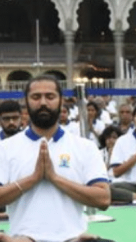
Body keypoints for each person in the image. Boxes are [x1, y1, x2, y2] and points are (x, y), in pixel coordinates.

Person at [0, 74, 112, 242]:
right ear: (26, 102)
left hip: (73, 239)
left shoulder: (84, 147)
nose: (43, 102)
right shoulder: (6, 148)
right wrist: (32, 179)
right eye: (36, 97)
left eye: (50, 96)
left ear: (61, 101)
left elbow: (103, 199)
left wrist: (54, 178)